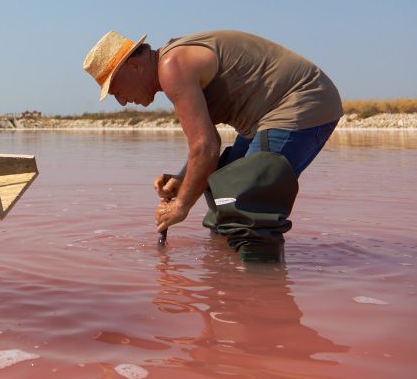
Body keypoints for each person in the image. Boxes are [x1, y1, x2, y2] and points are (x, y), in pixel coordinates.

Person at [82, 30, 342, 261]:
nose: (122, 102)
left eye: (116, 90)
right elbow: (206, 147)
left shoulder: (172, 66)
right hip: (264, 118)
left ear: (134, 66)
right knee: (221, 189)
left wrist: (181, 205)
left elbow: (206, 147)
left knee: (247, 201)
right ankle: (226, 279)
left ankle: (261, 294)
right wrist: (183, 180)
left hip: (303, 102)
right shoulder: (172, 65)